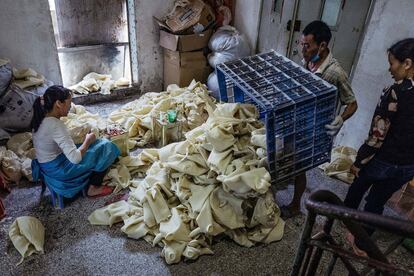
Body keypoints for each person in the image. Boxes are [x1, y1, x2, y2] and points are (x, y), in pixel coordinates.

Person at [281, 20, 358, 218]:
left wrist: (339, 119)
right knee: (287, 157)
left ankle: (295, 205)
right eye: (301, 44)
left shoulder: (334, 73)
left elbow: (352, 104)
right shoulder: (307, 62)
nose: (303, 49)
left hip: (312, 128)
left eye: (307, 45)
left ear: (322, 45)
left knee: (300, 167)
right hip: (297, 120)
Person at [344, 38, 414, 250]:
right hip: (408, 166)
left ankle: (345, 219)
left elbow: (378, 134)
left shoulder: (395, 92)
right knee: (377, 200)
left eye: (393, 63)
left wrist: (359, 161)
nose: (390, 69)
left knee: (359, 183)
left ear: (407, 64)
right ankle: (362, 242)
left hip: (383, 160)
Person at [31, 85, 120, 199]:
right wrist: (87, 140)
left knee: (95, 144)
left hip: (47, 166)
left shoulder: (40, 118)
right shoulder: (56, 125)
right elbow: (75, 158)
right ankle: (93, 187)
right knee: (106, 146)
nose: (70, 106)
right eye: (69, 102)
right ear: (58, 103)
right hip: (60, 170)